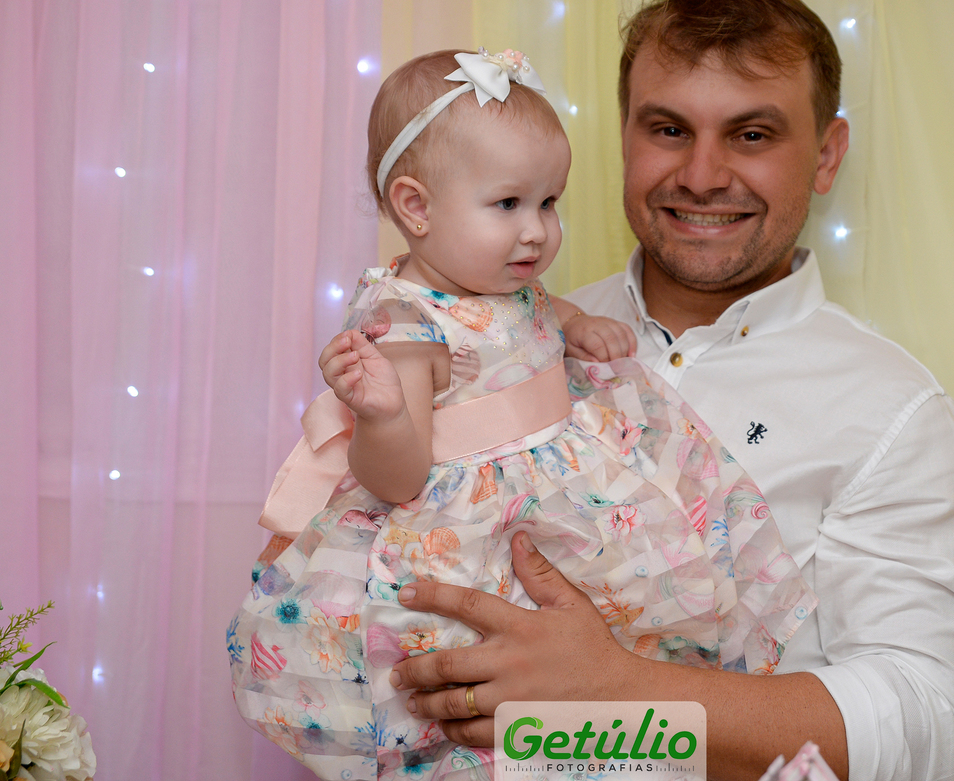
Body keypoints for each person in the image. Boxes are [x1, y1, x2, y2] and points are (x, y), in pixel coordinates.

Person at [386, 0, 954, 781]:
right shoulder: (487, 331)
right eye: (669, 129)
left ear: (827, 155)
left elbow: (932, 731)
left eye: (752, 134)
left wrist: (619, 700)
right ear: (626, 136)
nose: (703, 175)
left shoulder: (894, 412)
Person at [228, 46, 816, 781]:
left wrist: (575, 323)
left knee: (636, 630)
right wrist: (379, 416)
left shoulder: (502, 282)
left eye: (548, 203)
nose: (537, 230)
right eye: (509, 204)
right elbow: (396, 477)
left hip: (559, 497)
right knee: (487, 700)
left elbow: (531, 314)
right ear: (416, 207)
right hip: (475, 531)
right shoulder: (404, 324)